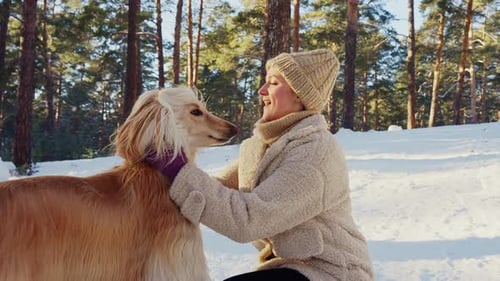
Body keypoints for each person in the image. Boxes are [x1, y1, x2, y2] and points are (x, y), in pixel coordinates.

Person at [146, 49, 374, 280]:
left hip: (331, 272)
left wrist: (178, 171)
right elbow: (219, 190)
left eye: (273, 83)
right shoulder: (261, 146)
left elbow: (249, 219)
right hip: (289, 269)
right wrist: (157, 188)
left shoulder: (314, 152)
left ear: (298, 95)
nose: (261, 91)